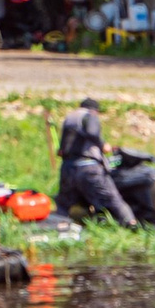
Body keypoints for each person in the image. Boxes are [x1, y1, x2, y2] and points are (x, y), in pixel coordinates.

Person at [54, 97, 137, 227]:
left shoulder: (70, 118)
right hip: (88, 168)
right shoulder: (90, 115)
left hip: (68, 167)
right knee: (113, 199)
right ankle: (131, 224)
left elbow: (62, 148)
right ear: (95, 110)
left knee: (64, 203)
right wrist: (103, 145)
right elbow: (92, 132)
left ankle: (57, 227)